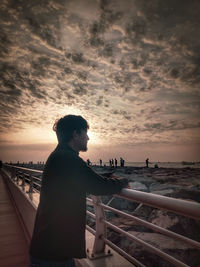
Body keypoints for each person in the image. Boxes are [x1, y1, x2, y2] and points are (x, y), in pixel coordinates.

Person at [29, 115, 129, 267]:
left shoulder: (60, 156)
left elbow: (84, 177)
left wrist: (107, 176)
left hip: (50, 245)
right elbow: (98, 186)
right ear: (75, 134)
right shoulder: (68, 159)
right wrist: (124, 181)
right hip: (53, 254)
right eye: (85, 133)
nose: (88, 138)